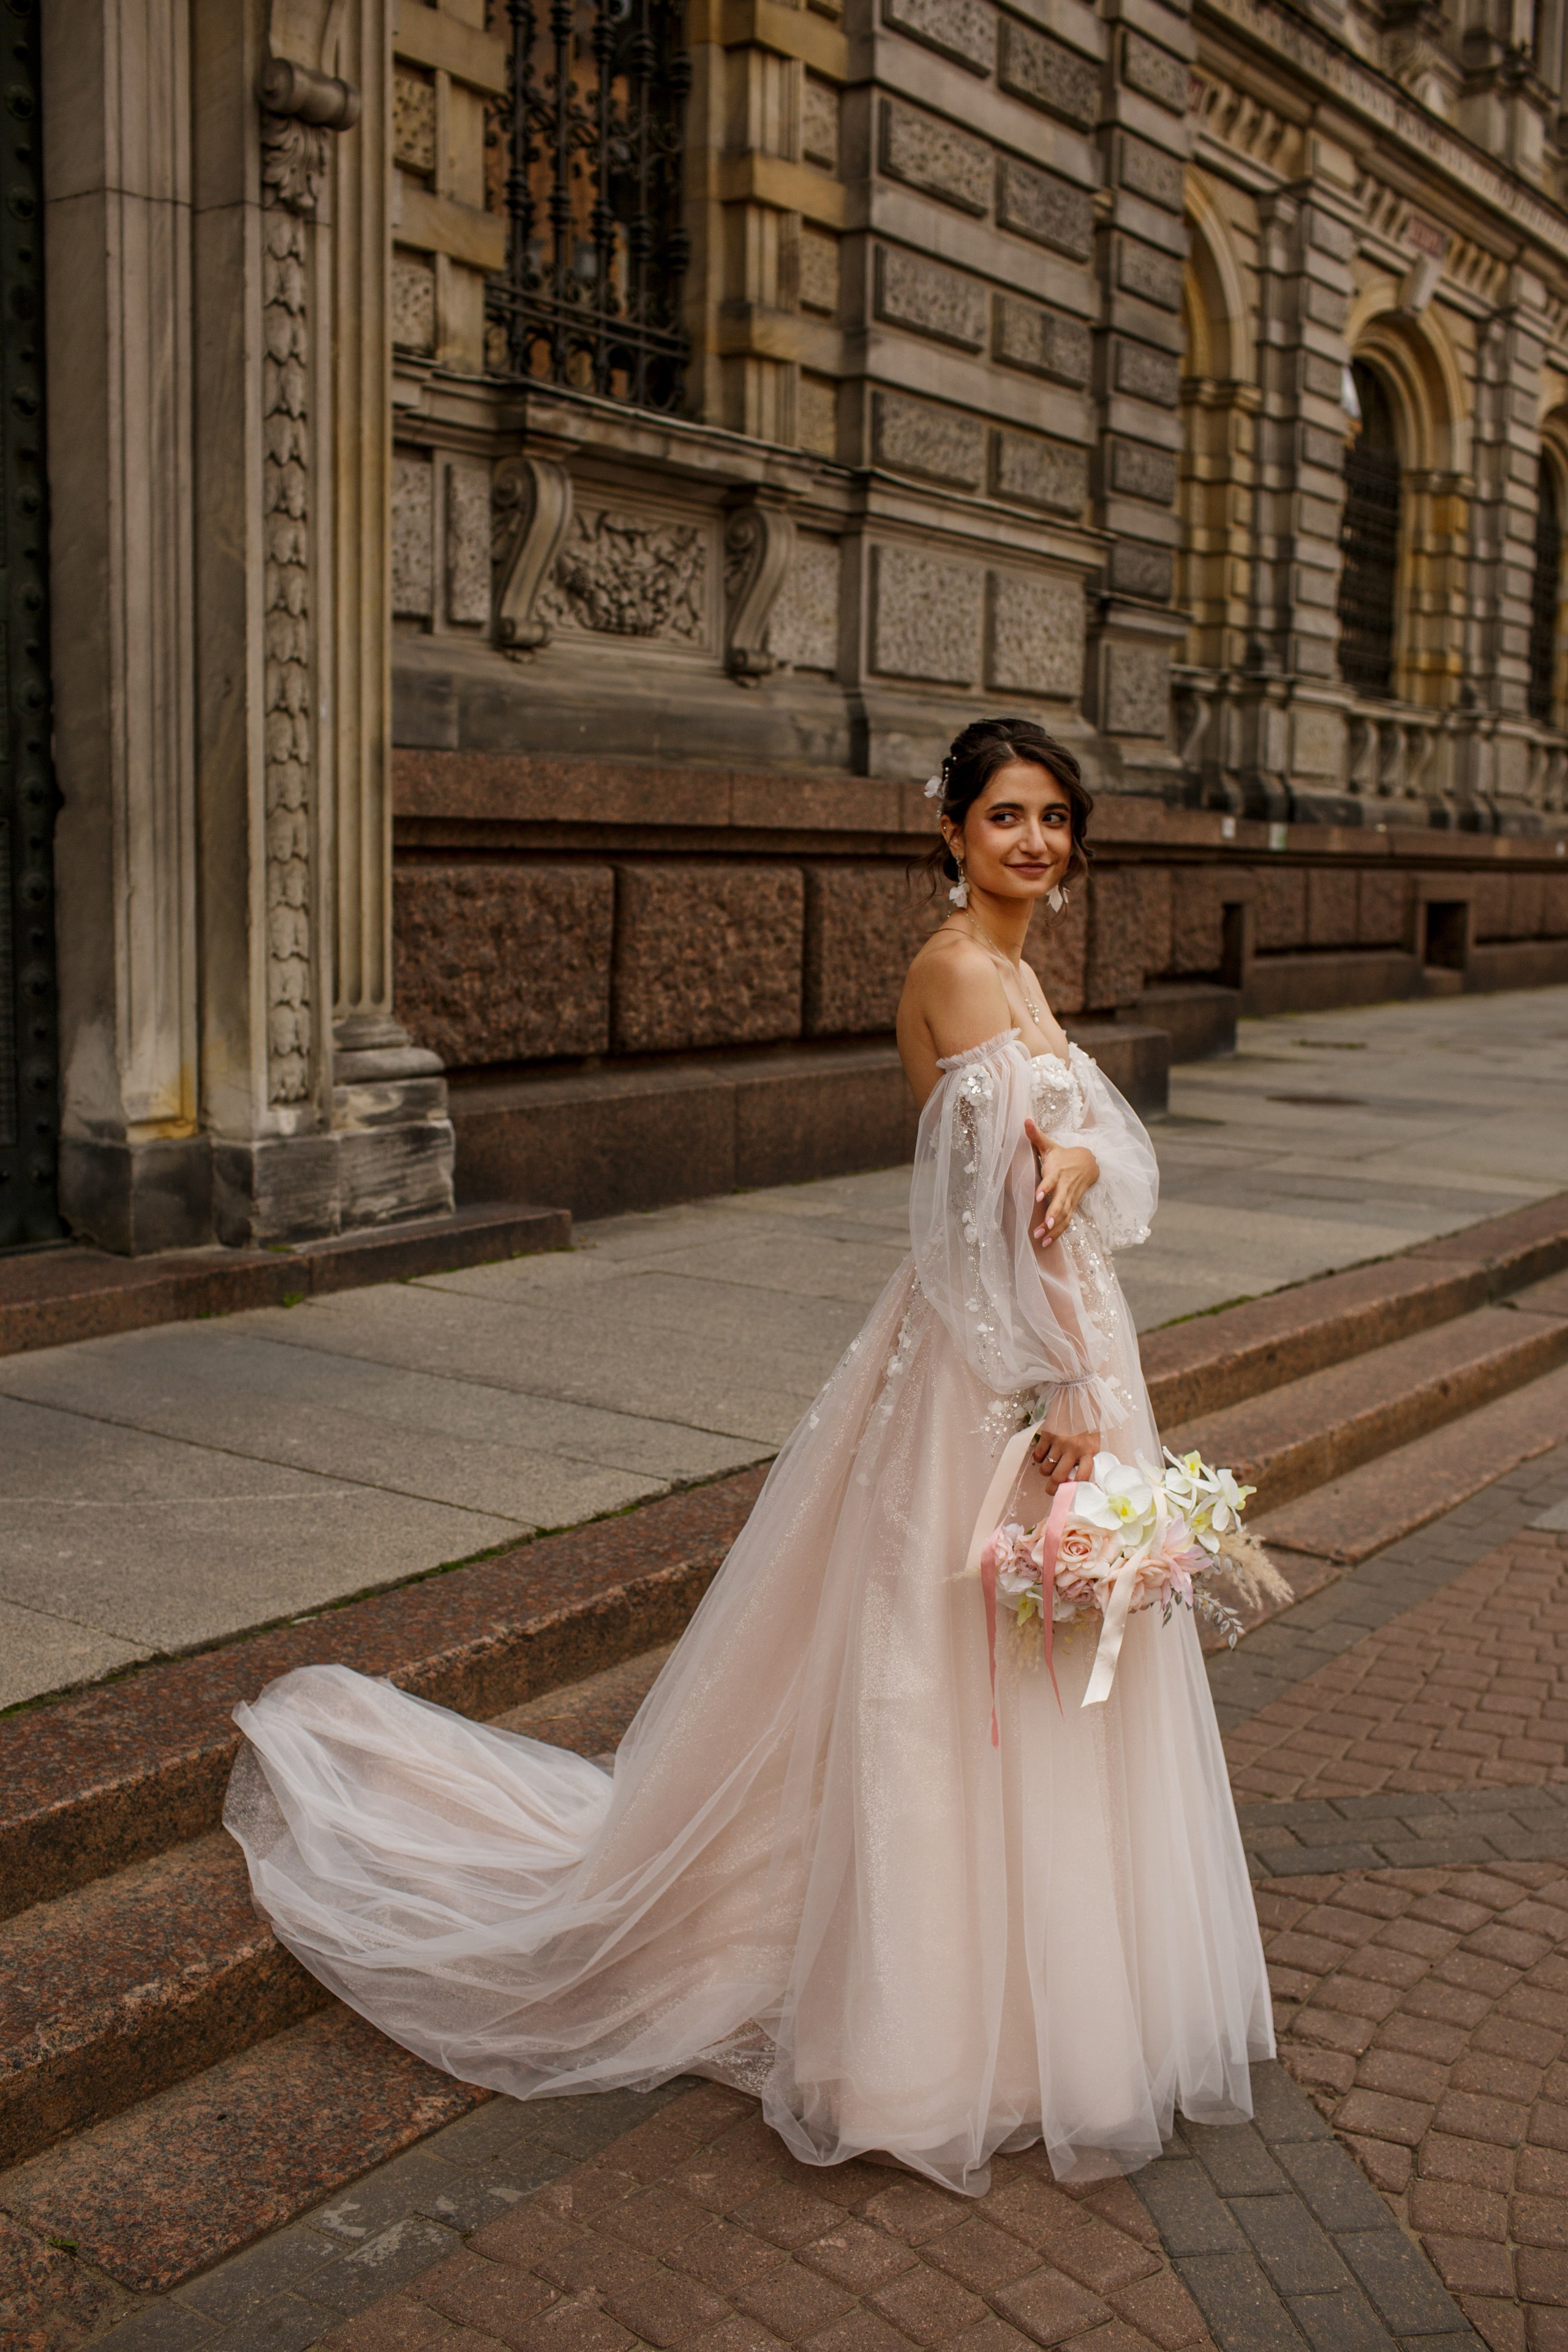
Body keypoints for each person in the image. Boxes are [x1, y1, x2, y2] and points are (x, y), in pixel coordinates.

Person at [225, 716, 1273, 2196]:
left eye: (1051, 818)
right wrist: (1057, 1389)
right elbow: (970, 1217)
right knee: (964, 1658)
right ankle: (927, 2031)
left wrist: (1085, 1163)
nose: (1031, 841)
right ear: (950, 835)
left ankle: (1036, 2010)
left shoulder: (1019, 969)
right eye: (1003, 818)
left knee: (1024, 1665)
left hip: (1050, 1338)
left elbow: (1076, 1165)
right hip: (1006, 1360)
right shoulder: (958, 967)